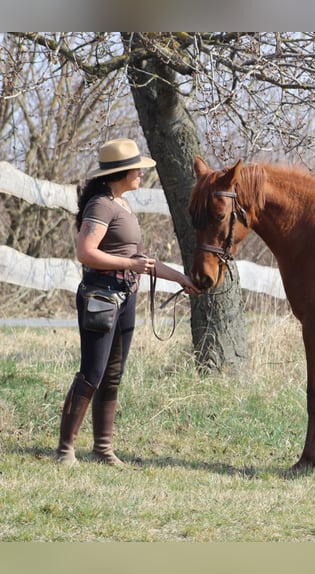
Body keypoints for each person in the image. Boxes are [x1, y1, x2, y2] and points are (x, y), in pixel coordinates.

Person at [55, 138, 201, 467]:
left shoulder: (122, 204)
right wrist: (130, 266)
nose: (142, 174)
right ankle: (65, 450)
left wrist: (181, 278)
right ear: (123, 172)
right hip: (102, 296)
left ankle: (103, 449)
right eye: (138, 169)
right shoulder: (102, 206)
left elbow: (140, 260)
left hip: (125, 296)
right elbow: (85, 252)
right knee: (92, 372)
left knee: (112, 374)